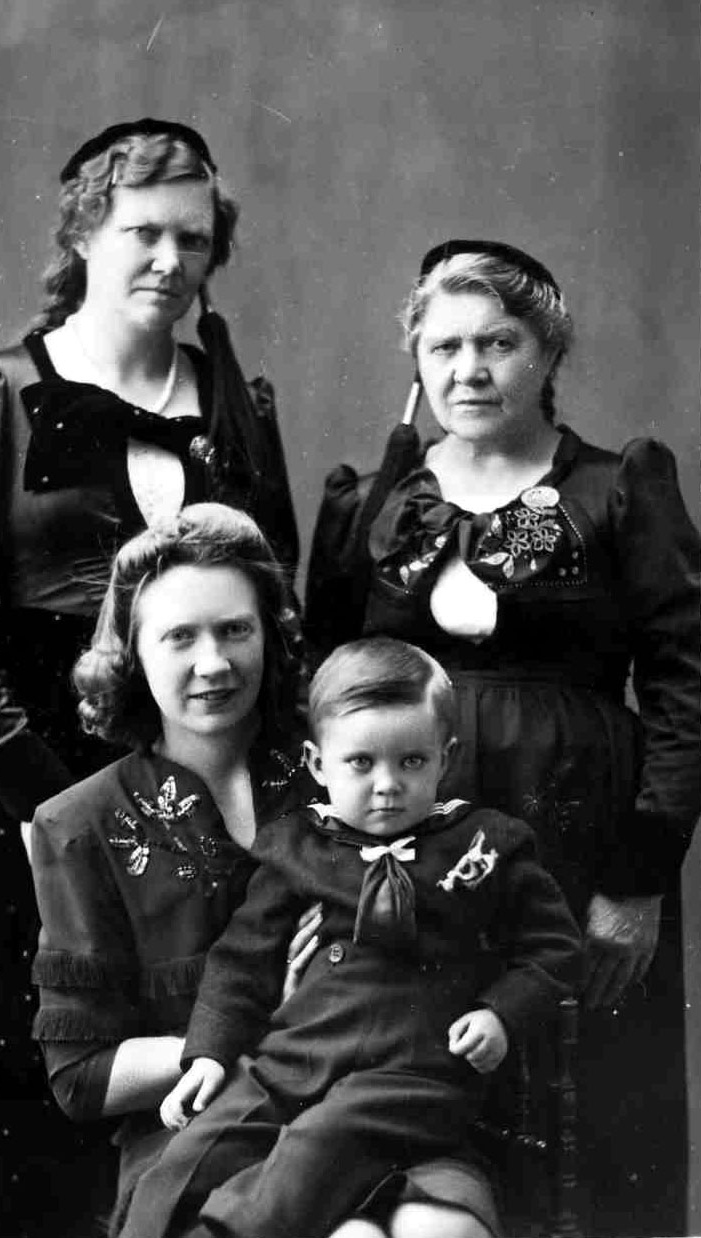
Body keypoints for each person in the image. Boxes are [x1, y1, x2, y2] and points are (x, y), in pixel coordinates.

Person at [0, 119, 298, 1238]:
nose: (170, 260)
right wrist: (48, 802)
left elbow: (277, 596)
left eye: (193, 238)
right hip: (38, 771)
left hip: (203, 771)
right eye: (142, 233)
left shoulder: (235, 399)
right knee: (50, 1071)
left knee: (205, 1053)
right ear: (83, 234)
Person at [308, 239, 701, 1237]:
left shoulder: (611, 490)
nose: (469, 370)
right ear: (416, 360)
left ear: (548, 352)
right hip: (418, 843)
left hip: (581, 840)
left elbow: (687, 686)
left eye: (498, 343)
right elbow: (322, 683)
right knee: (431, 1096)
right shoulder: (378, 503)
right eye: (444, 347)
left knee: (591, 1107)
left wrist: (640, 876)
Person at [31, 507, 524, 1238]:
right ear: (132, 652)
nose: (214, 664)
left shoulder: (352, 766)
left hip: (389, 1107)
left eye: (235, 630)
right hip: (203, 1128)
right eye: (179, 637)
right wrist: (246, 1032)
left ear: (270, 633)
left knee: (437, 1233)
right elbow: (81, 1078)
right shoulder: (80, 825)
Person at [119, 636, 581, 1238]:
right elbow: (240, 961)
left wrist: (501, 1013)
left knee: (317, 1143)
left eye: (411, 762)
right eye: (361, 763)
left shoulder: (486, 844)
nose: (387, 784)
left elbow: (554, 948)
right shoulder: (297, 847)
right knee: (193, 1152)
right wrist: (207, 1053)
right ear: (317, 764)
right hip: (293, 1059)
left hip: (413, 1073)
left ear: (446, 757)